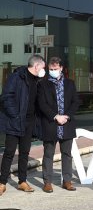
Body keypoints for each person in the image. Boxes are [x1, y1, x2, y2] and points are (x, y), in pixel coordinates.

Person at [0, 55, 45, 195]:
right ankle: (2, 183)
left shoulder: (38, 80)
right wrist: (16, 115)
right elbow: (6, 97)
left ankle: (22, 181)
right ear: (36, 66)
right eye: (43, 67)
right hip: (15, 121)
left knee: (24, 152)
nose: (44, 70)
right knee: (9, 153)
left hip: (29, 122)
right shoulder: (17, 77)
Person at [37, 57, 79, 193]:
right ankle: (47, 182)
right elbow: (42, 104)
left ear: (61, 68)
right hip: (50, 124)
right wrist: (55, 116)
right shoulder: (43, 84)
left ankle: (67, 181)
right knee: (48, 154)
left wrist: (66, 116)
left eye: (55, 69)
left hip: (66, 124)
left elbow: (75, 102)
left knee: (66, 154)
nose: (53, 71)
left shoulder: (70, 84)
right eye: (51, 69)